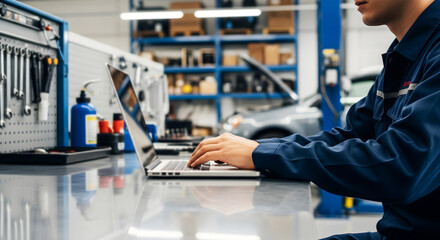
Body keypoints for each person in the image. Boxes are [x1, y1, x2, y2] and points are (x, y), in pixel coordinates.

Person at [187, 0, 440, 239]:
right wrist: (257, 149)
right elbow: (348, 135)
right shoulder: (402, 56)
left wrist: (265, 155)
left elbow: (402, 167)